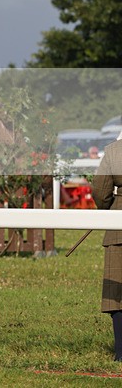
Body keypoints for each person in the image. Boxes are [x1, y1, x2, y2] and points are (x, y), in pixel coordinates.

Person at [91, 137, 122, 361]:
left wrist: (110, 207)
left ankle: (120, 352)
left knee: (117, 293)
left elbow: (101, 192)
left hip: (119, 229)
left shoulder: (114, 151)